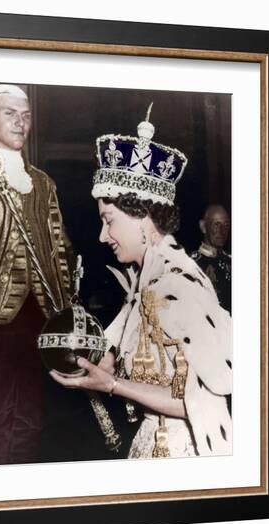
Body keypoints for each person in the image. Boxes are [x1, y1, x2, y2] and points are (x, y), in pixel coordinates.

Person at [50, 106, 232, 458]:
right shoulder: (147, 282)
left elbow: (199, 402)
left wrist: (113, 385)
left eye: (109, 220)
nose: (103, 236)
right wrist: (107, 364)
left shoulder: (179, 286)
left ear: (142, 218)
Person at [0, 84, 74, 465]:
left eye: (26, 115)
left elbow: (59, 248)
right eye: (9, 114)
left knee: (30, 418)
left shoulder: (42, 182)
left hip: (38, 316)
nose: (20, 123)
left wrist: (66, 307)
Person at [191, 205, 232, 313]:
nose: (222, 231)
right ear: (203, 227)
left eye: (226, 225)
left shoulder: (232, 261)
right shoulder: (192, 265)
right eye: (216, 225)